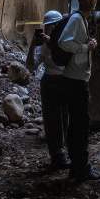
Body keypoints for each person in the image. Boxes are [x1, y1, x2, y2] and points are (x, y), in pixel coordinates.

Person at [57, 0, 100, 182]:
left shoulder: (81, 19)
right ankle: (79, 168)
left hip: (77, 78)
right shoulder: (77, 19)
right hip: (75, 80)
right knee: (80, 125)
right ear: (83, 0)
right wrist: (86, 47)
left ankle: (78, 166)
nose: (94, 2)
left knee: (78, 124)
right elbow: (63, 42)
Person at [27, 9, 70, 170]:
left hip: (64, 81)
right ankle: (56, 154)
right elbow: (31, 65)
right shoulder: (44, 45)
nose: (50, 29)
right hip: (50, 82)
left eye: (53, 26)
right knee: (52, 119)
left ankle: (64, 151)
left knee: (64, 118)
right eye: (48, 26)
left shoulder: (65, 41)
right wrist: (33, 44)